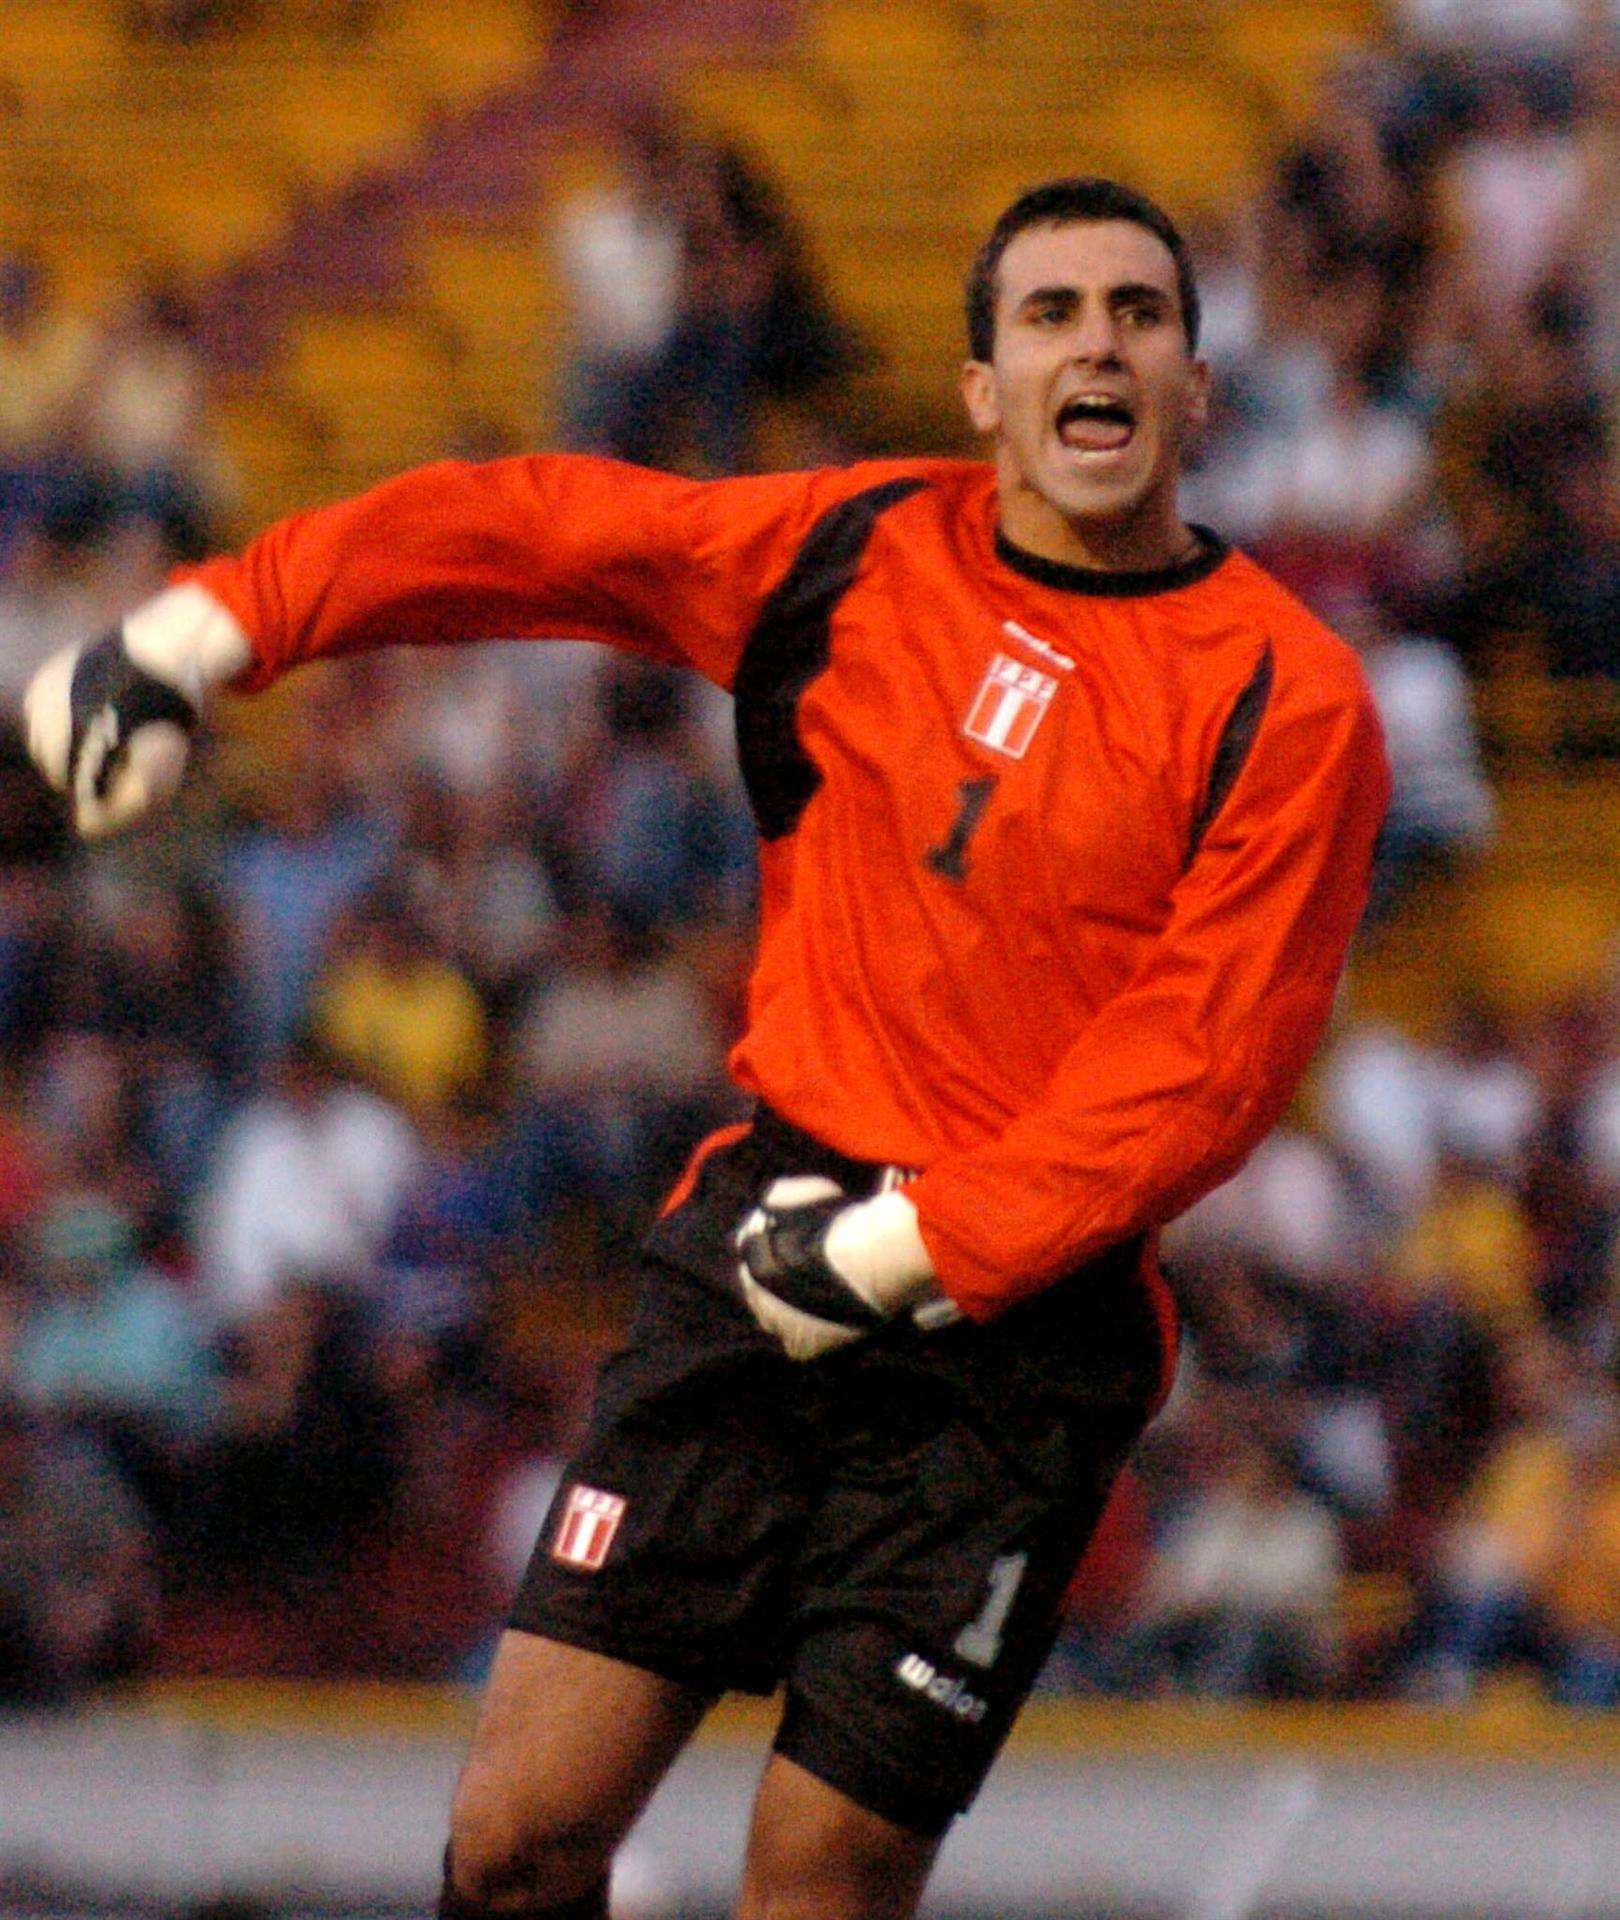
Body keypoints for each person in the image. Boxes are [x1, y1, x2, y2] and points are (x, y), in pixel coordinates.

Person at [21, 178, 1389, 1920]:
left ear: (1199, 386)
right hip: (760, 1255)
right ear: (983, 388)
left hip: (1017, 1336)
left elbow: (1210, 1065)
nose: (1097, 344)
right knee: (516, 1840)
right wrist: (210, 627)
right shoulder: (855, 551)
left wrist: (919, 1252)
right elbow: (535, 529)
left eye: (1140, 313)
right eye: (1050, 314)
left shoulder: (1289, 695)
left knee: (820, 1872)